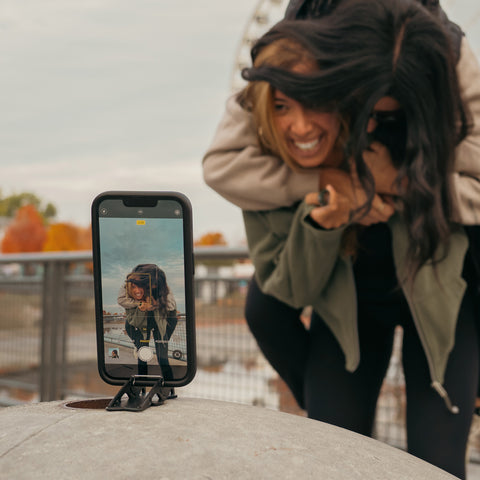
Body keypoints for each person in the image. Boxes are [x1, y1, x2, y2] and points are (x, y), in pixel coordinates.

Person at [203, 1, 480, 478]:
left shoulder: (453, 56)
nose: (372, 121)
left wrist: (402, 181)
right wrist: (331, 182)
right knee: (332, 449)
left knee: (437, 462)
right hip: (347, 295)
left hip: (440, 285)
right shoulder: (294, 51)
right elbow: (224, 163)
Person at [118, 264, 178, 378]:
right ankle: (142, 387)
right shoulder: (130, 283)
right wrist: (140, 303)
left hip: (162, 321)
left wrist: (155, 305)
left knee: (162, 356)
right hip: (139, 322)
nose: (137, 289)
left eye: (155, 285)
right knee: (142, 353)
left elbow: (170, 306)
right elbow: (121, 300)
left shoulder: (164, 288)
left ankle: (170, 387)